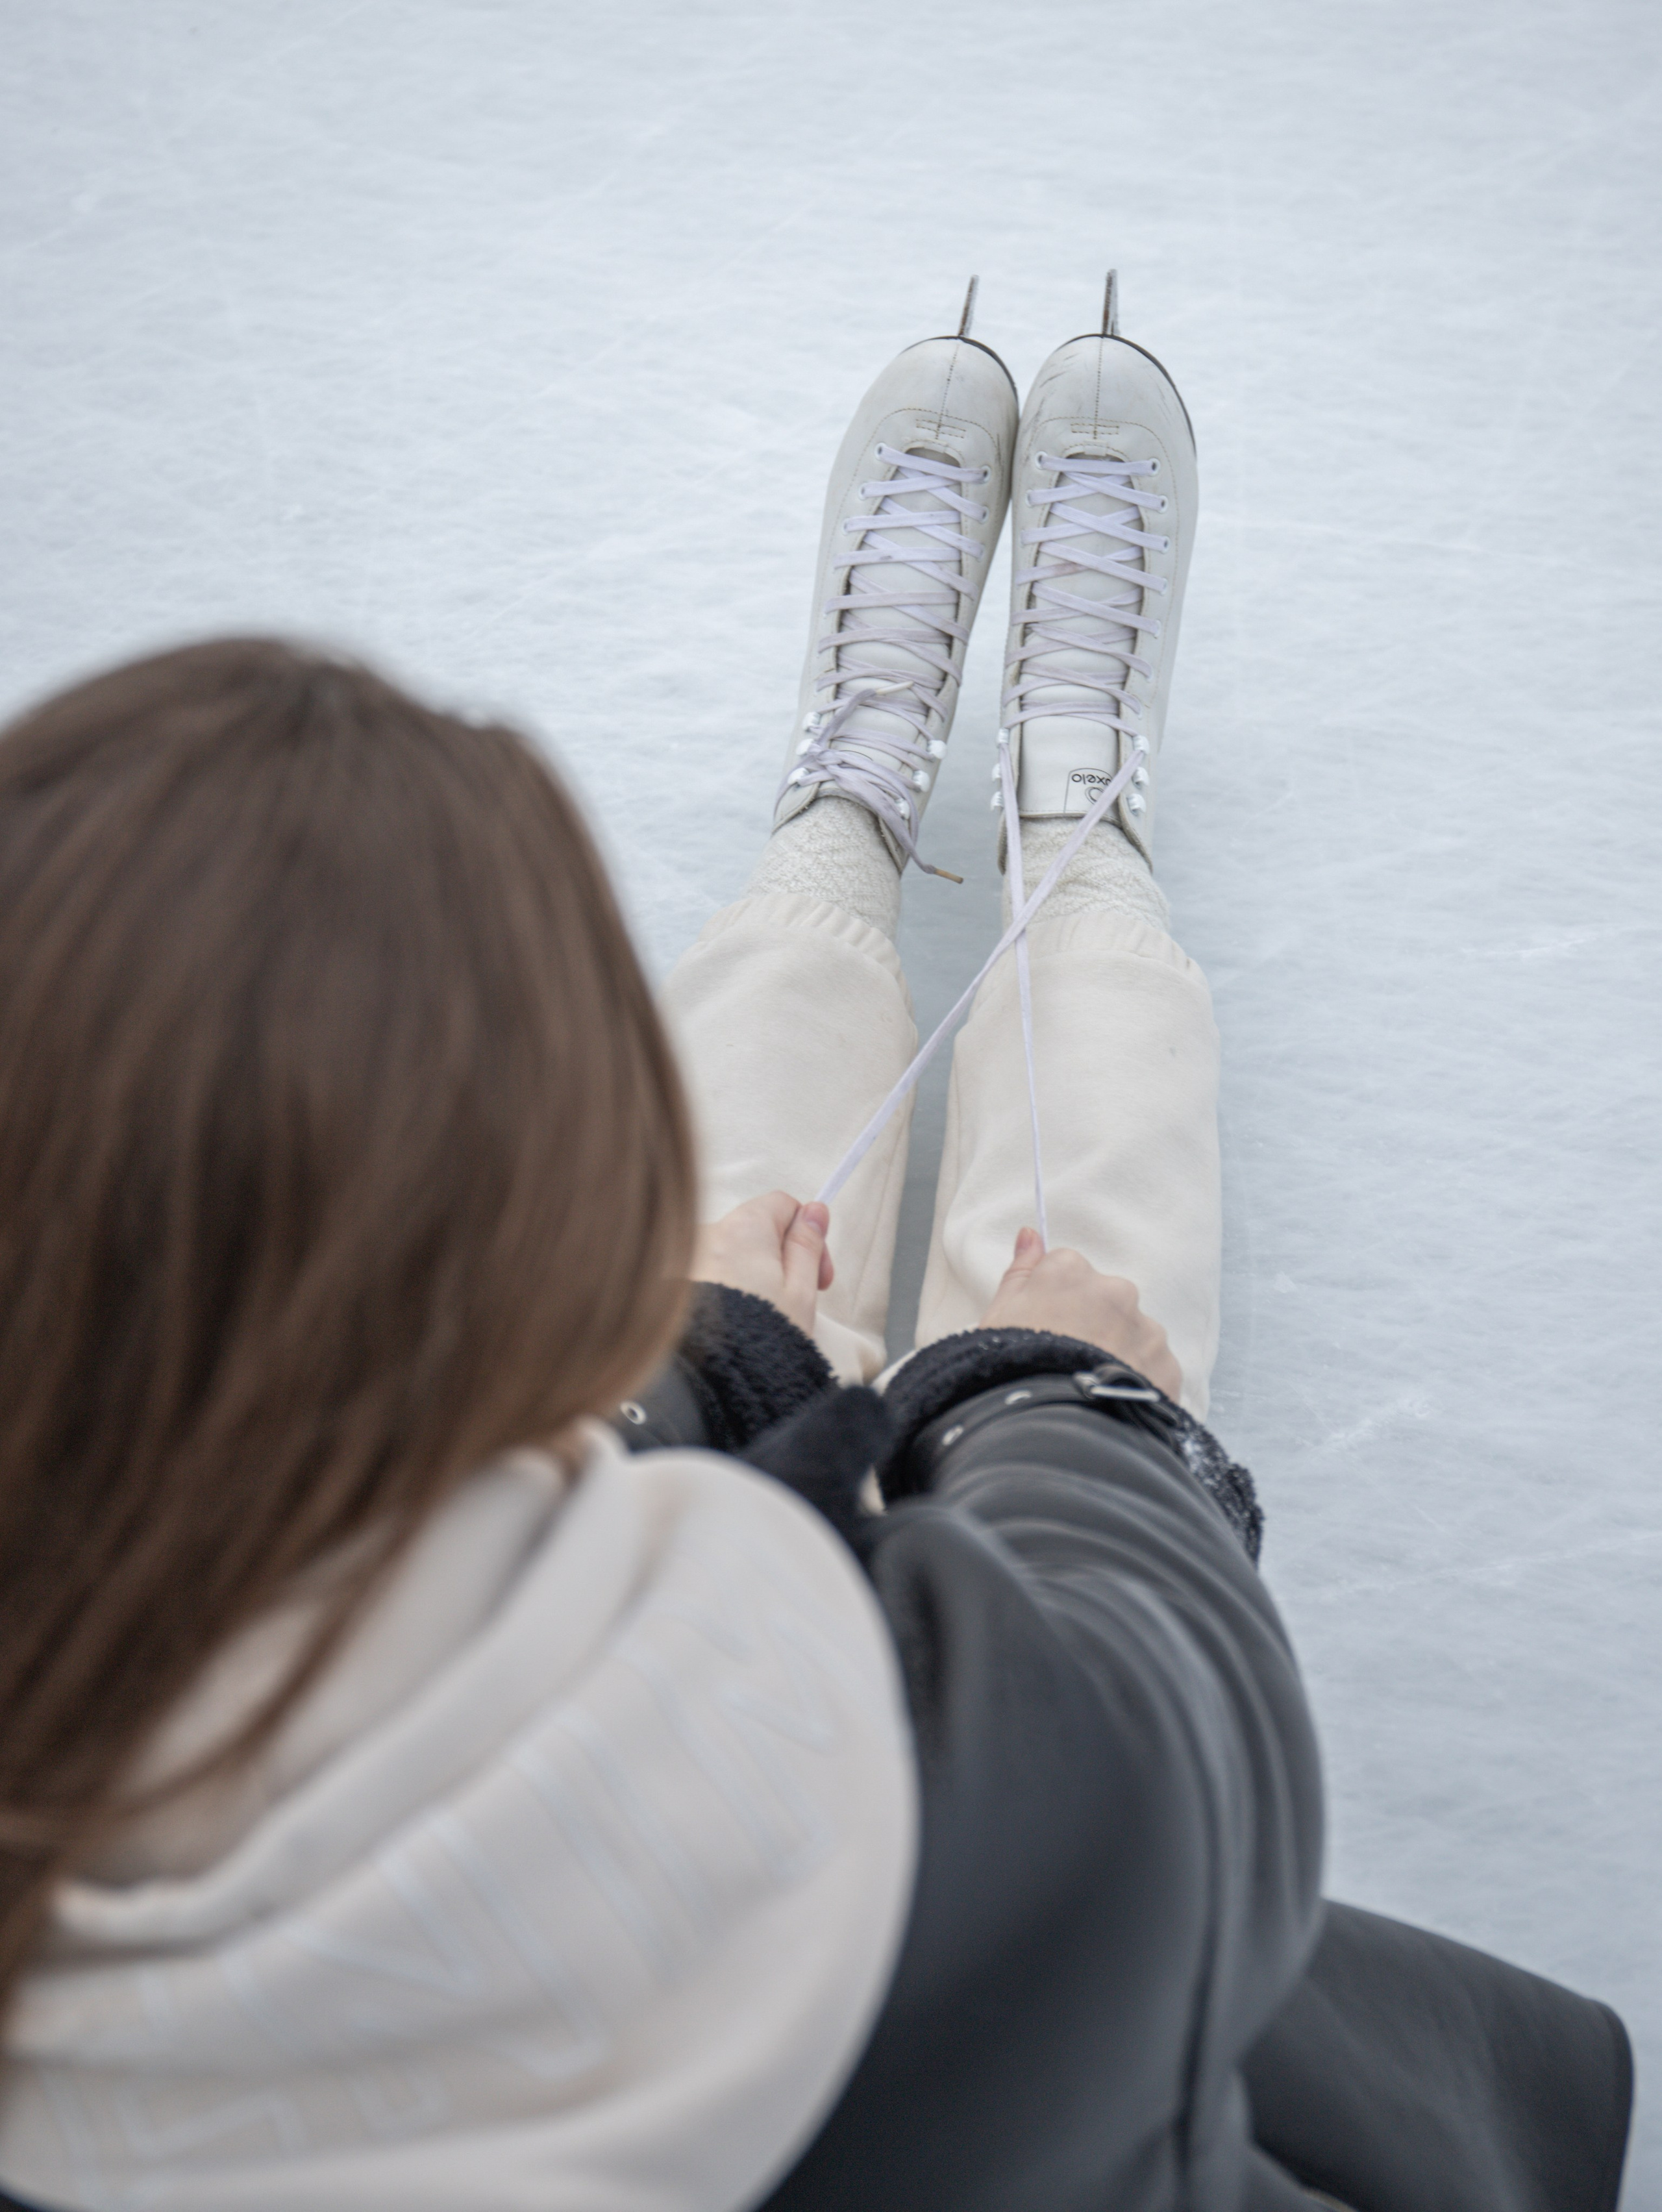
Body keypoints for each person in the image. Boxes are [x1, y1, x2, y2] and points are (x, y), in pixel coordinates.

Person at [0, 295, 1631, 2212]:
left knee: (735, 1251)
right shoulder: (898, 1833)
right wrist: (1061, 1400)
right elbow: (1156, 1734)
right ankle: (1077, 847)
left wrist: (703, 1362)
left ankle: (846, 820)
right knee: (1062, 1271)